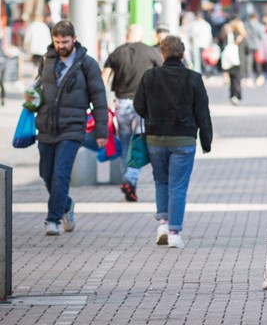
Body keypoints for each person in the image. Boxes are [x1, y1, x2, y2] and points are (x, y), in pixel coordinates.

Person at [31, 20, 109, 236]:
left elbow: (100, 100)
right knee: (46, 174)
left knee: (61, 174)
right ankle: (66, 205)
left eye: (65, 42)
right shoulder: (47, 60)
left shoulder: (87, 64)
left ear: (74, 39)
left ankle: (53, 219)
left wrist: (102, 132)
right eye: (57, 42)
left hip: (73, 127)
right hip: (46, 126)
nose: (61, 46)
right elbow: (39, 85)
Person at [134, 35, 213, 249]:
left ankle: (163, 223)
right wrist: (206, 141)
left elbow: (138, 105)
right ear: (183, 53)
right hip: (184, 138)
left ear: (162, 52)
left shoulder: (150, 76)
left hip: (155, 138)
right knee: (178, 186)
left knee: (161, 181)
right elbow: (202, 112)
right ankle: (174, 233)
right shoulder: (194, 78)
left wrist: (152, 116)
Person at [102, 24, 163, 202]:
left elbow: (103, 78)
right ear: (142, 36)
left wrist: (102, 103)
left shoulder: (116, 53)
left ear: (126, 35)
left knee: (126, 144)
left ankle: (129, 181)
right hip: (143, 104)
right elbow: (161, 74)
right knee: (139, 143)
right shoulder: (151, 52)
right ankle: (130, 179)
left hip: (121, 103)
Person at [221, 19, 246, 105]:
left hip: (230, 61)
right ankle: (237, 95)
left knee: (232, 80)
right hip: (239, 60)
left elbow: (223, 47)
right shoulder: (242, 36)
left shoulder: (229, 36)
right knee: (237, 80)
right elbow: (247, 50)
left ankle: (233, 95)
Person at [244, 12, 266, 86]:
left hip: (248, 46)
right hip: (257, 46)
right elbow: (262, 36)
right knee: (257, 62)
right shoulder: (259, 26)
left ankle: (249, 78)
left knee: (248, 62)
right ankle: (259, 76)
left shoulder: (245, 25)